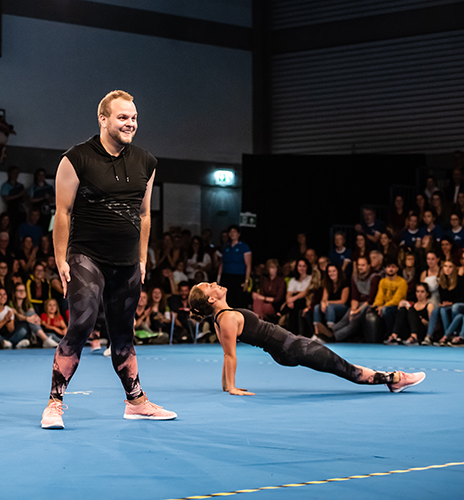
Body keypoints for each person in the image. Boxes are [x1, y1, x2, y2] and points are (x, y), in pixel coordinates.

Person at [41, 90, 177, 429]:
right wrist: (60, 259)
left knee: (123, 333)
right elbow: (62, 212)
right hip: (87, 257)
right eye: (122, 117)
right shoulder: (77, 158)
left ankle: (136, 402)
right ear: (103, 119)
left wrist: (142, 259)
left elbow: (144, 214)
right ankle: (54, 403)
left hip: (127, 261)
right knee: (81, 326)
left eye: (133, 117)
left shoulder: (147, 161)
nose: (130, 123)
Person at [188, 282, 426, 395]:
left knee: (342, 366)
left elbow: (226, 354)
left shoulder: (221, 318)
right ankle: (394, 379)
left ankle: (391, 378)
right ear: (211, 299)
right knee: (345, 369)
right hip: (292, 348)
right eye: (209, 286)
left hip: (289, 346)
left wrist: (226, 385)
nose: (215, 283)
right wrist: (230, 388)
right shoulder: (227, 318)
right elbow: (229, 355)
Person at [216, 225, 252, 309]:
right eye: (230, 232)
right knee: (227, 300)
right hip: (226, 276)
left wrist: (246, 281)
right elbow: (222, 264)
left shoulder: (244, 247)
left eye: (234, 232)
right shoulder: (226, 247)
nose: (232, 234)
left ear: (238, 234)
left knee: (239, 300)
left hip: (239, 276)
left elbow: (248, 265)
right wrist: (218, 279)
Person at [312, 264, 349, 340]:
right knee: (316, 307)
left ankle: (329, 332)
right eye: (329, 271)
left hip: (342, 308)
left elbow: (343, 301)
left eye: (334, 271)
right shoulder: (327, 283)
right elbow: (324, 299)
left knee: (330, 307)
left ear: (338, 272)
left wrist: (328, 302)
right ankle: (317, 333)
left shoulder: (344, 283)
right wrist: (323, 303)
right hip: (330, 306)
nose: (331, 273)